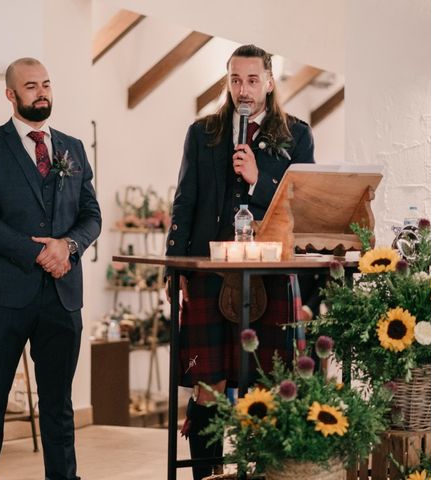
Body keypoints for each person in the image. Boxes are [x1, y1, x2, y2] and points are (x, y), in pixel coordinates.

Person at [165, 44, 319, 480]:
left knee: (271, 385)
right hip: (210, 273)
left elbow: (300, 207)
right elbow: (184, 202)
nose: (243, 90)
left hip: (271, 275)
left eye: (252, 80)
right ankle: (206, 475)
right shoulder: (204, 132)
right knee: (208, 387)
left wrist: (259, 179)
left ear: (270, 81)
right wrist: (172, 268)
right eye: (235, 80)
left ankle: (268, 472)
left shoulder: (297, 135)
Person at [0, 57, 101, 480]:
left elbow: (91, 215)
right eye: (30, 86)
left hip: (62, 294)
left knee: (58, 401)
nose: (41, 92)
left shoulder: (73, 147)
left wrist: (68, 246)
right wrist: (39, 253)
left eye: (45, 84)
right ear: (10, 94)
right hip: (5, 291)